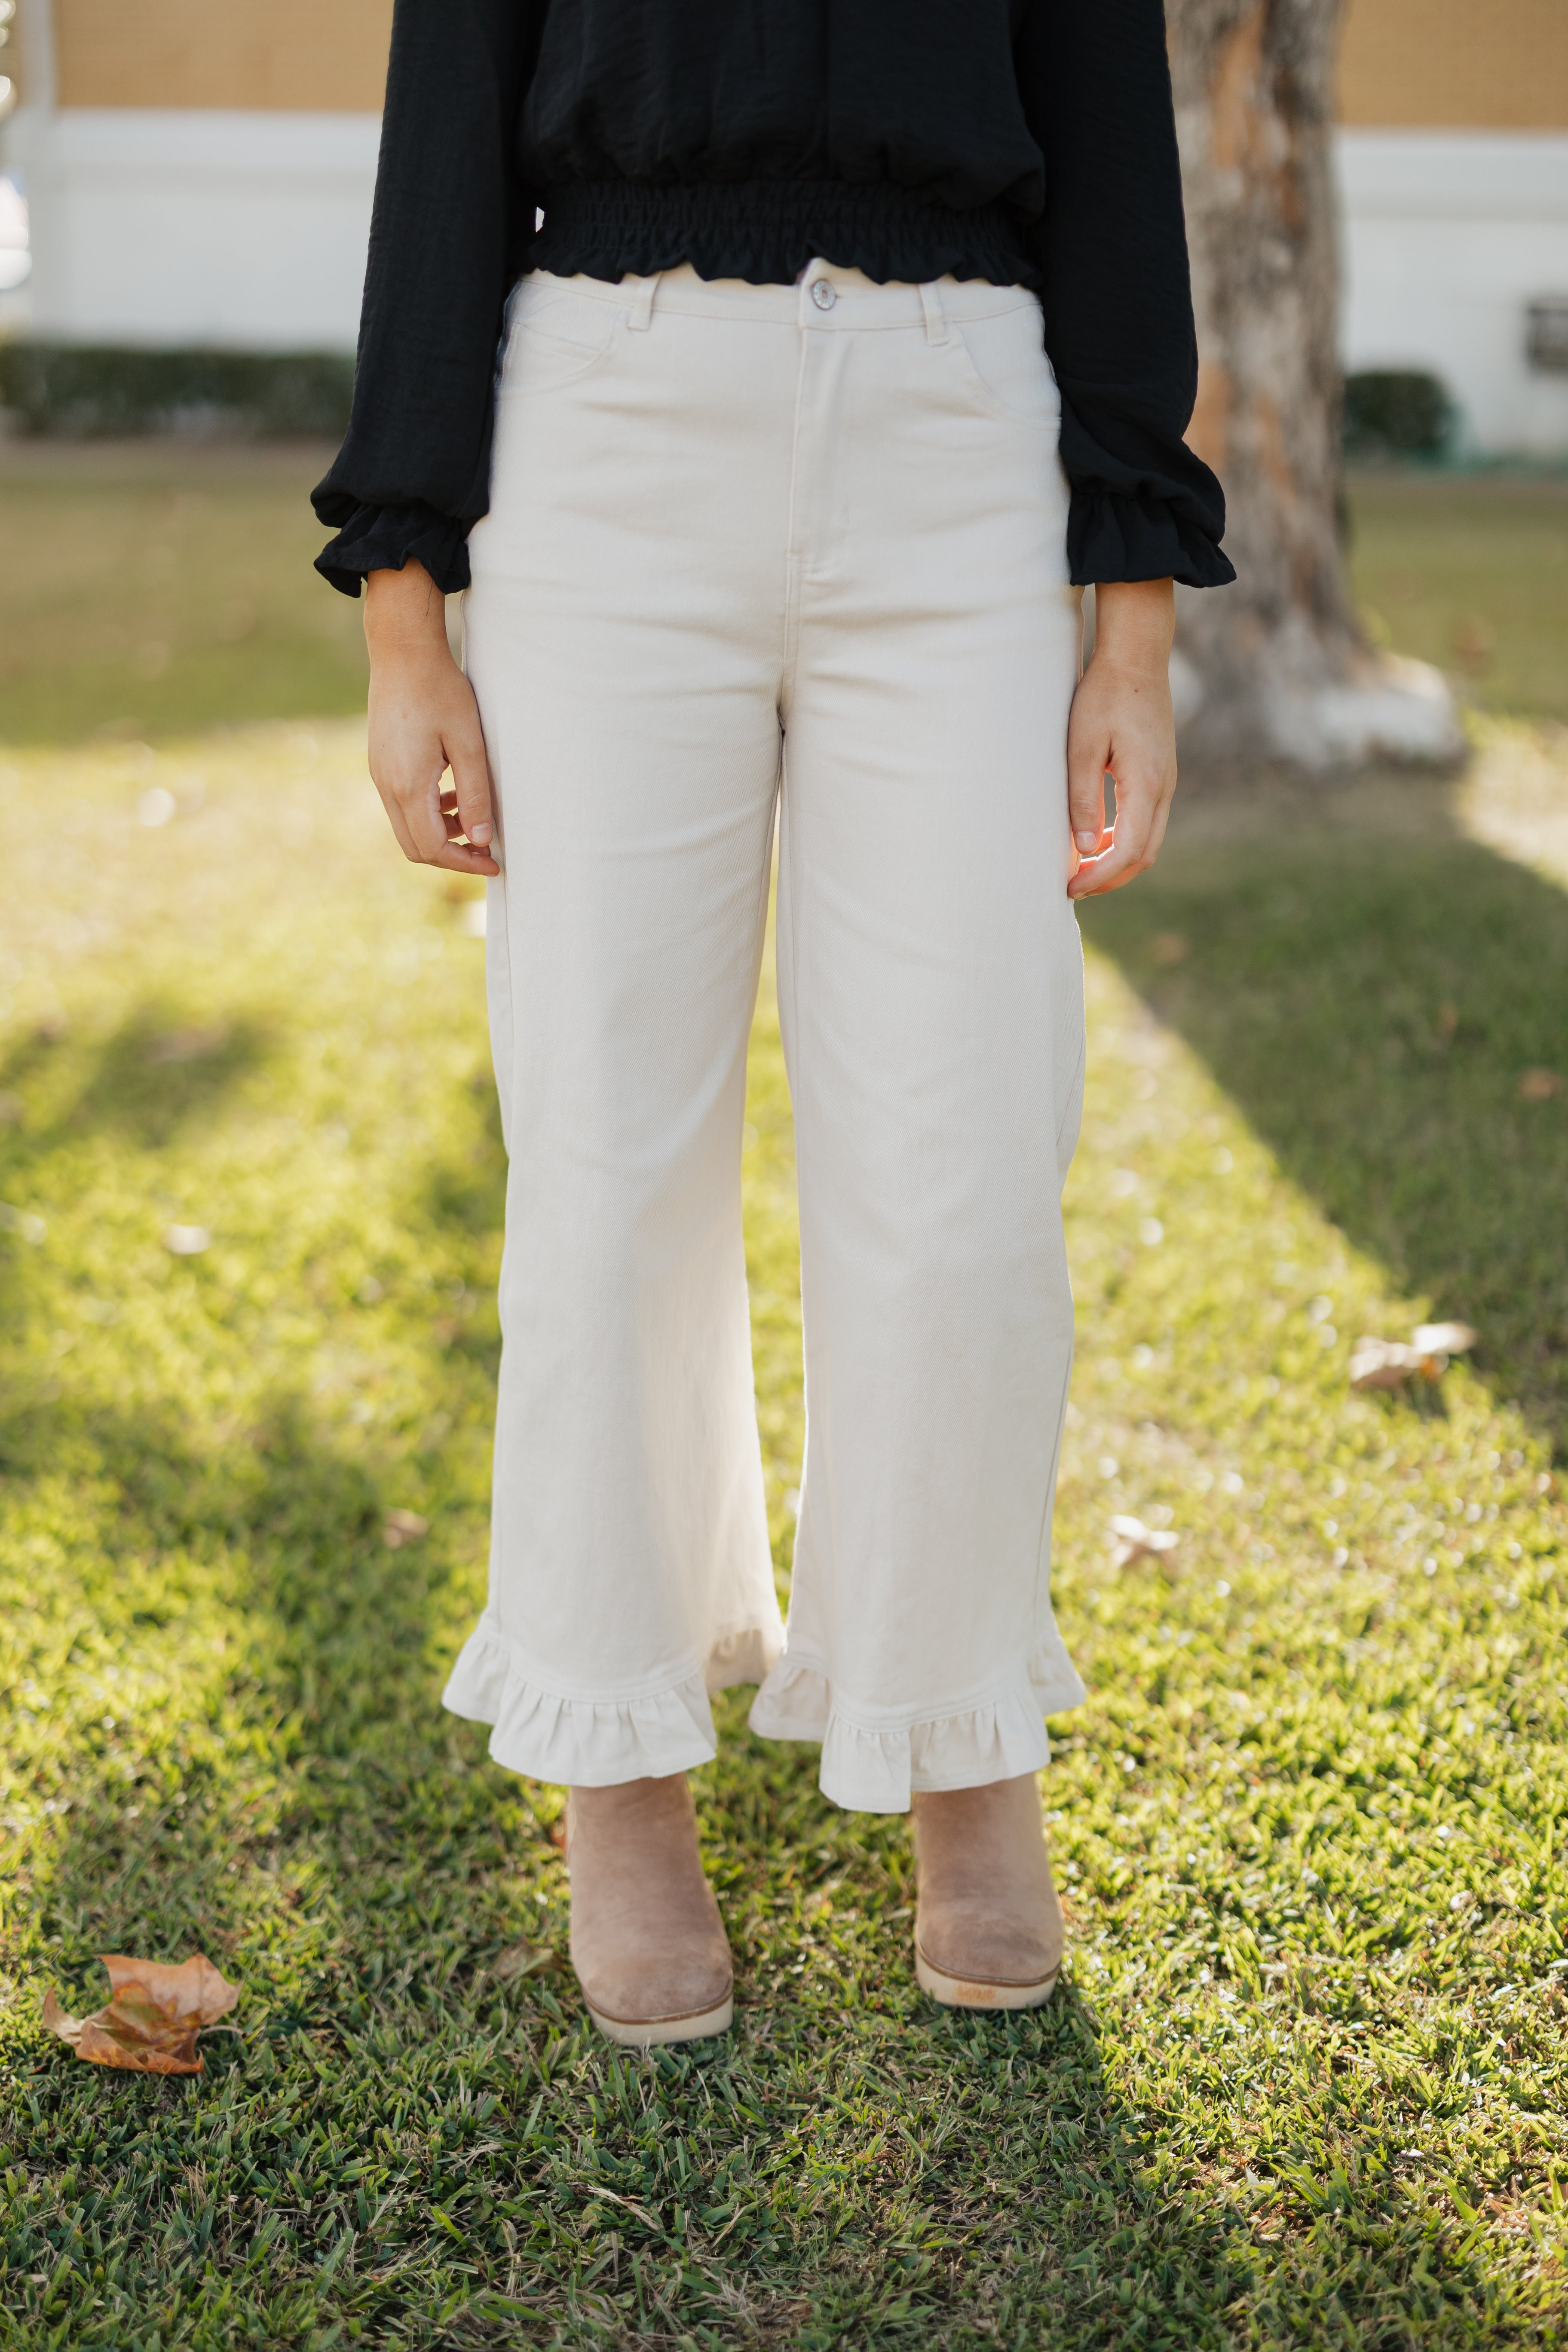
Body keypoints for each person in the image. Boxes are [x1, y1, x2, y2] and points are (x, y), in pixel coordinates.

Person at [313, 0, 1232, 2049]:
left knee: (967, 1156)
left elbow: (1107, 123)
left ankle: (957, 1723)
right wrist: (404, 613)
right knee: (608, 1151)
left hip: (962, 437)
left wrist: (1133, 631)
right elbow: (448, 116)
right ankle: (617, 1747)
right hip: (606, 429)